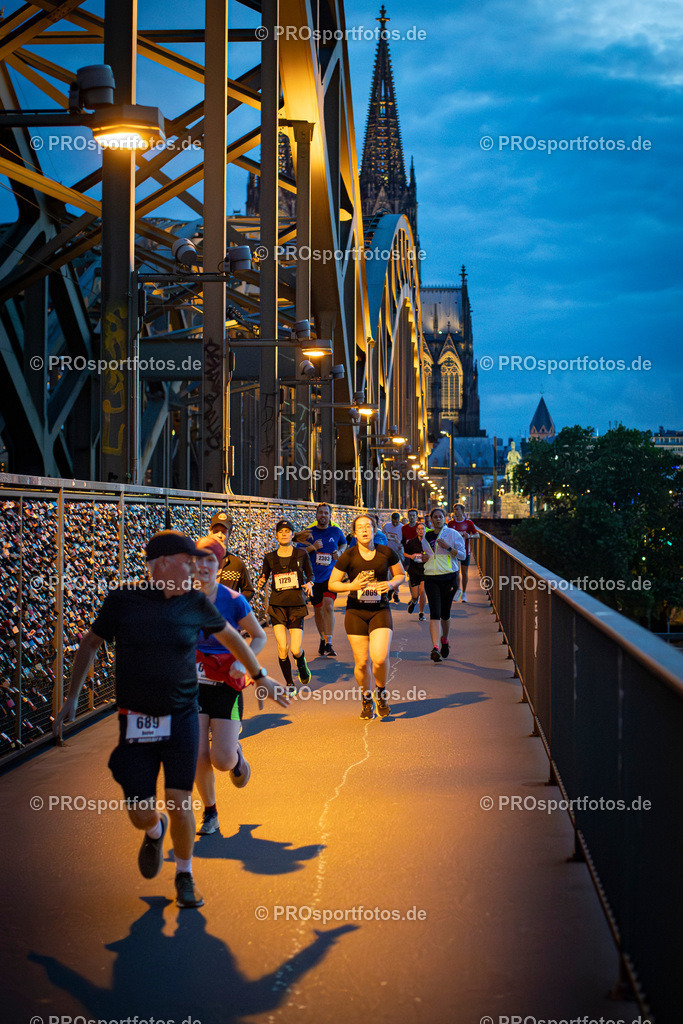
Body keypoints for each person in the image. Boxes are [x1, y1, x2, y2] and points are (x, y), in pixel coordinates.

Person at [52, 530, 288, 909]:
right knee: (140, 812)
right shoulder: (123, 601)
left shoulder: (195, 602)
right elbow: (90, 643)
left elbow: (233, 638)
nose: (194, 567)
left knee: (181, 801)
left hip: (182, 716)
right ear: (161, 564)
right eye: (186, 560)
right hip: (137, 720)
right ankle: (154, 829)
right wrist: (73, 695)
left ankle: (184, 874)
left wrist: (261, 677)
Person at [193, 534, 267, 837]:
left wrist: (241, 661)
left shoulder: (234, 600)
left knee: (220, 760)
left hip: (226, 684)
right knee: (196, 754)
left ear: (220, 565)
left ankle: (235, 756)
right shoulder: (181, 598)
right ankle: (210, 813)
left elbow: (259, 636)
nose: (204, 566)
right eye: (198, 560)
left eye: (210, 560)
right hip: (192, 686)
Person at [328, 514, 404, 719]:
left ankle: (381, 692)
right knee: (361, 662)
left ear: (375, 529)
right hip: (356, 611)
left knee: (379, 658)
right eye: (359, 527)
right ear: (354, 533)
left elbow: (400, 575)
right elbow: (332, 584)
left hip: (380, 609)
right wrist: (350, 586)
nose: (364, 530)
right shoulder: (349, 556)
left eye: (368, 526)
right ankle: (366, 698)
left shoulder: (386, 552)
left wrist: (389, 585)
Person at [258, 519, 314, 694]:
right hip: (277, 606)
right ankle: (290, 683)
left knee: (295, 649)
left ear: (292, 534)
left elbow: (310, 575)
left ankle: (301, 661)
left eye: (287, 530)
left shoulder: (301, 554)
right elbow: (264, 575)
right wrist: (261, 581)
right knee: (282, 648)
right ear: (276, 535)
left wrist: (310, 584)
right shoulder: (270, 557)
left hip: (296, 604)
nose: (284, 533)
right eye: (280, 531)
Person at [295, 503, 346, 657]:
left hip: (331, 576)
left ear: (330, 516)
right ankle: (323, 639)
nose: (323, 515)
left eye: (326, 513)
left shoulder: (336, 531)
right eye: (320, 513)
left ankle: (329, 642)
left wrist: (340, 552)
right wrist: (313, 548)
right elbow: (297, 552)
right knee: (318, 609)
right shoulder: (308, 533)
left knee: (328, 606)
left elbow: (343, 543)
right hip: (313, 577)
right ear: (316, 515)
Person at [421, 509, 467, 662]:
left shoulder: (453, 534)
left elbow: (463, 555)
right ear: (431, 519)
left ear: (445, 518)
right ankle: (434, 648)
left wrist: (448, 547)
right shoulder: (426, 536)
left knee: (445, 614)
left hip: (448, 578)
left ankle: (444, 640)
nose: (438, 519)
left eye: (440, 517)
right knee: (434, 612)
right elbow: (426, 556)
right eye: (435, 517)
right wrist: (423, 558)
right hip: (431, 578)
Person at [208, 511, 256, 602]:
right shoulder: (200, 561)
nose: (219, 535)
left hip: (227, 615)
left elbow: (249, 591)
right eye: (216, 531)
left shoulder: (236, 563)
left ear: (229, 533)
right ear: (210, 532)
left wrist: (235, 604)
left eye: (223, 532)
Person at [447, 504, 480, 602]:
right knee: (456, 573)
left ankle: (464, 593)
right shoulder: (450, 523)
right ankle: (458, 590)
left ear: (462, 511)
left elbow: (477, 535)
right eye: (454, 509)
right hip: (454, 551)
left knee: (464, 572)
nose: (455, 511)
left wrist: (469, 537)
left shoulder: (468, 523)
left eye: (457, 509)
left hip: (465, 551)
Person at [403, 519, 427, 619]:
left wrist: (426, 557)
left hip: (425, 570)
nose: (421, 531)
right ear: (416, 531)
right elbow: (404, 553)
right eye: (419, 529)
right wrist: (412, 556)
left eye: (422, 529)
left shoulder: (428, 542)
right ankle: (413, 602)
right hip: (414, 570)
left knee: (422, 592)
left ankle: (421, 613)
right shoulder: (411, 542)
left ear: (425, 530)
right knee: (415, 595)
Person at [383, 512, 404, 604]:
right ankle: (391, 590)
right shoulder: (386, 526)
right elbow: (383, 537)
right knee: (388, 574)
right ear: (391, 519)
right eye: (393, 521)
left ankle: (395, 592)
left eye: (396, 521)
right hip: (388, 553)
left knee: (397, 574)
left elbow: (404, 541)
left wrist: (401, 544)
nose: (395, 523)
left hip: (398, 553)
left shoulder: (402, 528)